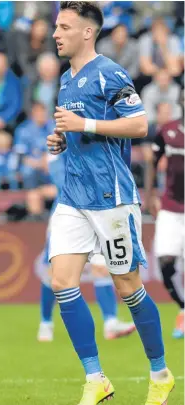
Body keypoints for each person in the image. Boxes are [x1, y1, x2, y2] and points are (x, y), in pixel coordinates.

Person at [46, 2, 174, 405]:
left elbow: (138, 124)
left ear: (87, 32)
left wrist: (83, 125)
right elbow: (82, 132)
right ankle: (96, 377)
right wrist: (62, 140)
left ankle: (160, 373)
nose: (55, 34)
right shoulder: (67, 80)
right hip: (73, 195)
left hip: (111, 198)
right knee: (62, 281)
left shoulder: (110, 72)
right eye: (56, 26)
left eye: (64, 27)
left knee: (128, 287)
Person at [36, 151, 135, 342]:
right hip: (67, 214)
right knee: (54, 272)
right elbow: (60, 181)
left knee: (101, 267)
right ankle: (46, 322)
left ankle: (110, 322)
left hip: (96, 212)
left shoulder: (95, 141)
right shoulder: (60, 142)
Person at [146, 90, 184, 339]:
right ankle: (183, 308)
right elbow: (152, 160)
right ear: (180, 100)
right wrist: (150, 194)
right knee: (165, 261)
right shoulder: (168, 131)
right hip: (171, 206)